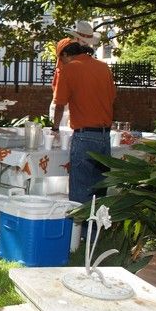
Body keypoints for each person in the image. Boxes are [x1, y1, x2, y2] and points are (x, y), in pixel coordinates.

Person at [52, 40, 116, 203]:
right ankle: (95, 228)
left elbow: (59, 104)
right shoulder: (103, 67)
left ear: (65, 55)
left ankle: (79, 229)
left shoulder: (70, 69)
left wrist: (55, 128)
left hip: (84, 137)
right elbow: (112, 97)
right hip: (104, 136)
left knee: (80, 194)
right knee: (99, 192)